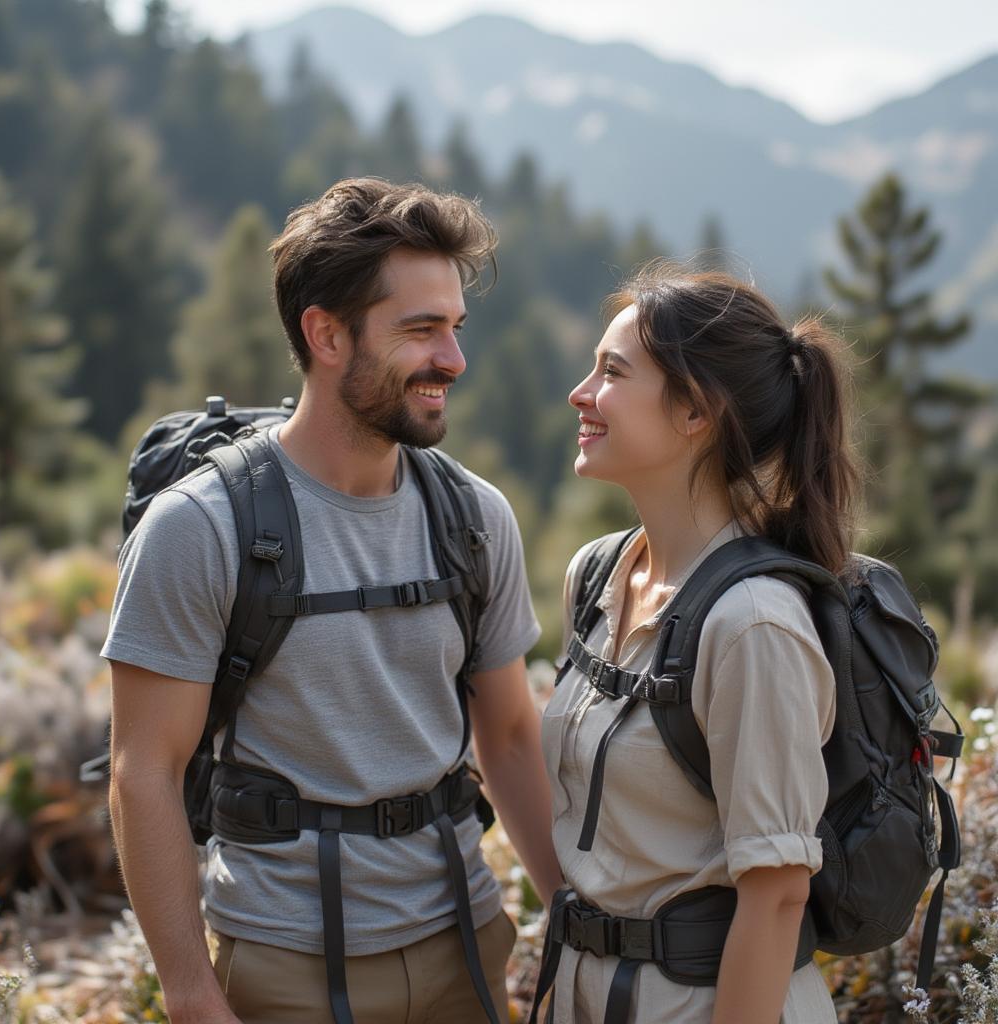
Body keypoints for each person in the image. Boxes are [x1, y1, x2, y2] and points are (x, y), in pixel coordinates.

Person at [103, 177, 563, 1024]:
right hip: (283, 967)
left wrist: (568, 916)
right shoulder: (199, 528)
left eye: (455, 329)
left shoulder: (474, 518)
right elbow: (144, 772)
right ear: (325, 334)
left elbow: (505, 735)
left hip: (467, 943)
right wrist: (192, 996)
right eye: (420, 330)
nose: (454, 360)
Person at [540, 265, 859, 1023]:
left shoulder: (754, 624)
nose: (580, 394)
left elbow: (778, 896)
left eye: (612, 372)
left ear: (694, 414)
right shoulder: (596, 577)